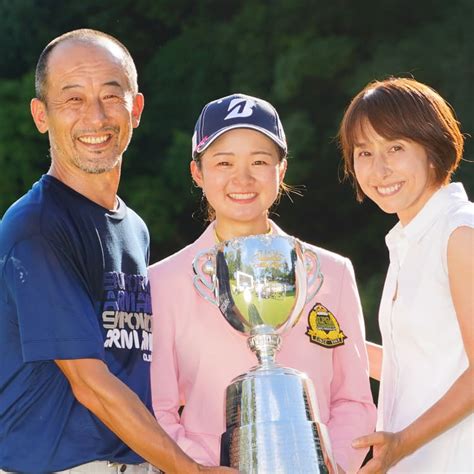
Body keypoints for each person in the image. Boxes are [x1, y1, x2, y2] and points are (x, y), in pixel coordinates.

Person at [0, 29, 234, 474]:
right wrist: (190, 470)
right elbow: (91, 384)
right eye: (72, 100)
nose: (96, 117)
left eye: (111, 96)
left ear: (136, 108)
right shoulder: (37, 228)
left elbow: (139, 365)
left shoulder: (133, 228)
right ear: (40, 115)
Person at [148, 93, 377, 473]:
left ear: (281, 170)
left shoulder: (331, 273)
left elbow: (353, 399)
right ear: (197, 172)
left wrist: (329, 463)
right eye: (224, 162)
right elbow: (158, 409)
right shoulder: (163, 281)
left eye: (259, 161)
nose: (243, 178)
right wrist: (202, 469)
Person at [338, 77, 474, 472]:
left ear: (432, 149)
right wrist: (319, 348)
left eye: (395, 148)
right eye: (364, 152)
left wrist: (402, 444)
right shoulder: (409, 239)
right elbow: (418, 362)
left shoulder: (459, 232)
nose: (379, 169)